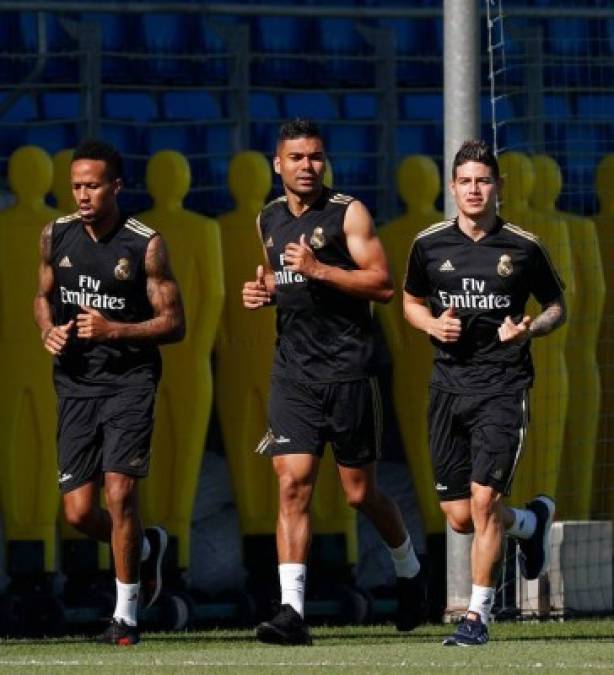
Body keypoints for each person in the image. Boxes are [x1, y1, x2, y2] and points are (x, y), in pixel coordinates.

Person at [242, 119, 425, 646]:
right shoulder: (268, 219)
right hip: (293, 374)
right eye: (296, 157)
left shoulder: (350, 213)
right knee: (292, 484)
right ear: (277, 164)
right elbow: (286, 279)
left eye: (316, 157)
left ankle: (410, 570)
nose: (307, 166)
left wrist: (320, 270)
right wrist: (267, 291)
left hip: (349, 372)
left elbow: (383, 285)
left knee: (358, 493)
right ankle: (291, 612)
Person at [403, 140, 565, 646]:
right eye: (466, 181)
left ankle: (477, 617)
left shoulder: (524, 246)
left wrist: (531, 328)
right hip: (448, 387)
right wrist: (433, 324)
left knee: (482, 500)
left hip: (503, 385)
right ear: (452, 188)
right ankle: (529, 523)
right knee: (458, 519)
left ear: (498, 187)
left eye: (484, 180)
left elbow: (558, 305)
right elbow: (410, 301)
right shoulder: (428, 245)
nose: (475, 189)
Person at [33, 140, 185, 645]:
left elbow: (174, 323)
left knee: (120, 493)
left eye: (92, 185)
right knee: (78, 512)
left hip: (129, 381)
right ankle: (146, 548)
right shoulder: (54, 235)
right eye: (76, 185)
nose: (82, 194)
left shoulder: (145, 244)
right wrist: (47, 331)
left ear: (116, 187)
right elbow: (43, 296)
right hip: (75, 384)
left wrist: (114, 330)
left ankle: (126, 619)